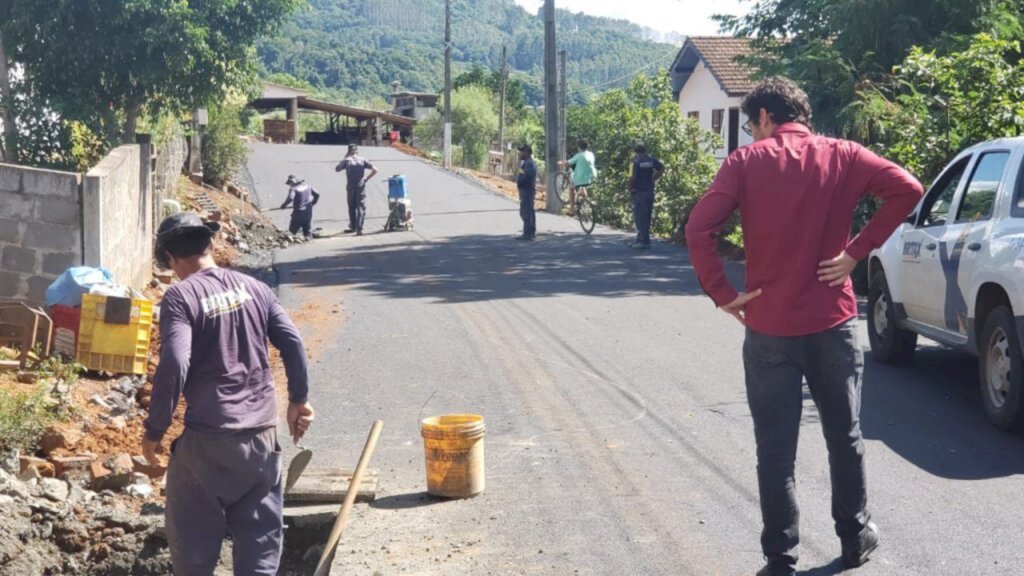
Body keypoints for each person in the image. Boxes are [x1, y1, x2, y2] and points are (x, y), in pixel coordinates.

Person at [684, 76, 923, 576]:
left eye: (751, 125)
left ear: (767, 116)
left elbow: (698, 228)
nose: (751, 135)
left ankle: (780, 559)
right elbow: (908, 190)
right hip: (832, 323)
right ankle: (856, 538)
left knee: (775, 449)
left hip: (768, 327)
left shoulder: (744, 163)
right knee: (845, 435)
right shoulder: (845, 154)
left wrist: (724, 295)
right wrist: (855, 252)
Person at [143, 213, 316, 576]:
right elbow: (293, 342)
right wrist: (298, 399)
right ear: (210, 246)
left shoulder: (180, 296)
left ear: (171, 259)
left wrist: (156, 430)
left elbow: (175, 360)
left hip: (210, 438)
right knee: (259, 540)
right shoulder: (254, 288)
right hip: (261, 437)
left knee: (192, 538)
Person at [335, 144, 378, 236]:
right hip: (361, 186)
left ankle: (353, 226)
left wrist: (345, 157)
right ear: (357, 151)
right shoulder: (363, 160)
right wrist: (366, 178)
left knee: (351, 207)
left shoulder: (347, 161)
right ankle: (359, 228)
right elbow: (375, 170)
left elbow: (337, 169)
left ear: (349, 151)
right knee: (360, 207)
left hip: (350, 187)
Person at [629, 144, 664, 249]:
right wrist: (654, 178)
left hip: (639, 191)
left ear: (635, 152)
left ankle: (643, 241)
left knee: (640, 216)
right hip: (649, 191)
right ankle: (642, 238)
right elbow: (662, 168)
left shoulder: (634, 162)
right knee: (647, 215)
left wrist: (630, 189)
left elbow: (632, 177)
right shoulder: (651, 160)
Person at [558, 138, 597, 216]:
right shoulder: (591, 154)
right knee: (583, 185)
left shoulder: (579, 156)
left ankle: (571, 210)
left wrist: (561, 163)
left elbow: (568, 163)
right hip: (591, 177)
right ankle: (585, 202)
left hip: (580, 178)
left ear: (579, 147)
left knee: (571, 187)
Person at [280, 174, 320, 239]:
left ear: (292, 182)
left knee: (292, 231)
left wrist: (284, 205)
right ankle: (309, 239)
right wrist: (313, 203)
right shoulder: (308, 186)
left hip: (298, 213)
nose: (290, 185)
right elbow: (317, 194)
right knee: (307, 229)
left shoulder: (293, 189)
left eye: (290, 183)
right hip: (308, 211)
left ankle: (291, 241)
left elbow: (290, 198)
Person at [515, 143, 538, 240]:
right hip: (526, 189)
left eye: (522, 151)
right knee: (527, 210)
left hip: (527, 189)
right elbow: (521, 172)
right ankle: (530, 231)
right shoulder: (527, 163)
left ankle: (528, 233)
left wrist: (520, 179)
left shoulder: (529, 163)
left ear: (527, 152)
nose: (520, 153)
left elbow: (527, 175)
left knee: (526, 211)